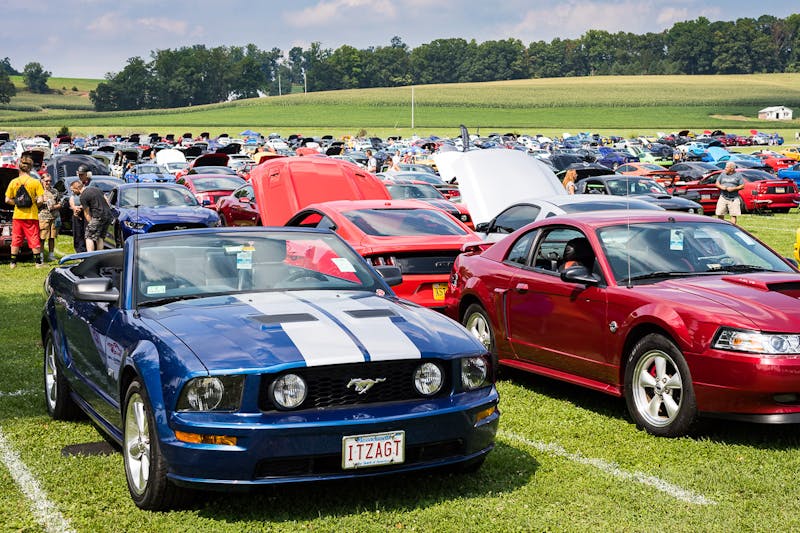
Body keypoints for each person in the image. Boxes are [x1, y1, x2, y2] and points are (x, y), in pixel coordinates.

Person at [4, 155, 45, 268]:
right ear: (31, 168)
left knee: (16, 238)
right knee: (34, 237)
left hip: (18, 215)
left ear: (19, 167)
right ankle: (37, 263)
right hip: (31, 215)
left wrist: (17, 203)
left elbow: (7, 199)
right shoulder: (35, 182)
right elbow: (41, 199)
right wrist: (35, 205)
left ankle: (13, 263)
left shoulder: (14, 182)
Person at [73, 179, 113, 252]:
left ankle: (90, 256)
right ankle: (99, 256)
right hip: (108, 215)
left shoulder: (83, 196)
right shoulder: (96, 189)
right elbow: (106, 201)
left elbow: (87, 213)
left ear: (78, 188)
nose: (73, 192)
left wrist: (90, 223)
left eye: (73, 190)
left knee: (89, 236)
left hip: (98, 216)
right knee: (100, 237)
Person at [38, 173, 62, 262]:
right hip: (43, 217)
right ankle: (40, 256)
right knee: (42, 237)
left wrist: (55, 207)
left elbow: (60, 202)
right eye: (46, 181)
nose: (48, 183)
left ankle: (51, 255)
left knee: (52, 237)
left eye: (50, 181)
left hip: (54, 217)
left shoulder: (55, 191)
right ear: (42, 181)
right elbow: (34, 204)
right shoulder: (38, 191)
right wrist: (42, 201)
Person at [70, 165, 92, 253]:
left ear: (87, 174)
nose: (80, 176)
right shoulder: (77, 183)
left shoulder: (92, 184)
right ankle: (79, 250)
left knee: (87, 232)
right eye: (79, 174)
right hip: (77, 211)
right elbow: (72, 197)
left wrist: (81, 207)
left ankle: (88, 249)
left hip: (87, 211)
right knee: (78, 233)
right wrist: (74, 207)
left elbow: (92, 199)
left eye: (82, 174)